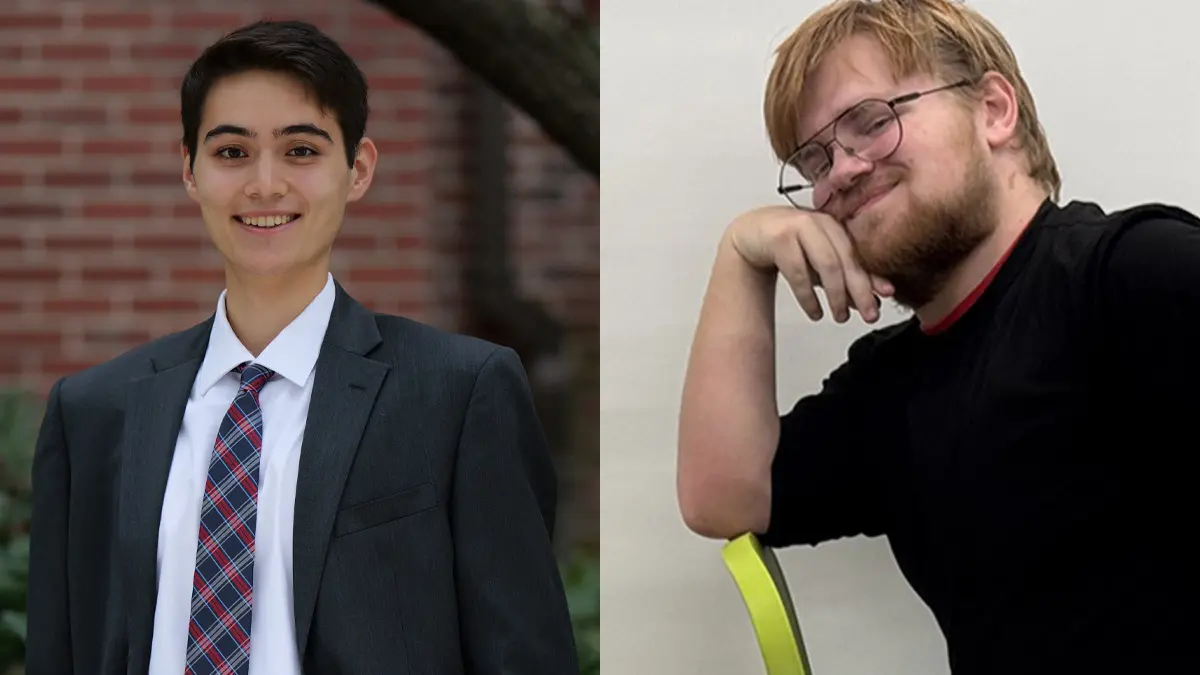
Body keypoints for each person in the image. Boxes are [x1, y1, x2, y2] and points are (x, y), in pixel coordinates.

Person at [26, 20, 577, 675]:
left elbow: (523, 655)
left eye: (301, 150)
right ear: (190, 171)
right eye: (232, 151)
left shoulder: (458, 391)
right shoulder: (92, 413)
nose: (265, 184)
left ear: (358, 170)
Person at [677, 0, 1196, 673]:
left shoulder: (1130, 273)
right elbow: (722, 497)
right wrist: (741, 253)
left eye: (872, 122)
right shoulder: (890, 387)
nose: (842, 173)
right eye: (815, 162)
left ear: (994, 111)